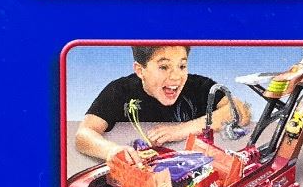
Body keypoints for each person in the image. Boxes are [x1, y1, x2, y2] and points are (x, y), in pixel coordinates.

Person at [74, 44, 249, 166]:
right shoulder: (119, 91)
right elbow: (84, 133)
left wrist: (181, 130)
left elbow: (239, 111)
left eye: (182, 66)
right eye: (164, 67)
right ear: (140, 70)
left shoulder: (199, 86)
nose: (176, 77)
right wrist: (111, 150)